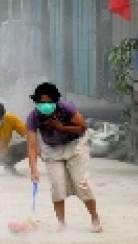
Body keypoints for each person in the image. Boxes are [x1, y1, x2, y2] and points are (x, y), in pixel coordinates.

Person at [27, 82, 101, 233]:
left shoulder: (66, 108)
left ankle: (94, 217)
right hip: (52, 150)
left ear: (55, 101)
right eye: (42, 102)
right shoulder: (34, 117)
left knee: (81, 183)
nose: (45, 105)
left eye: (49, 102)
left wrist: (62, 127)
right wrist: (34, 170)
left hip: (75, 146)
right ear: (37, 102)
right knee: (57, 186)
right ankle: (61, 223)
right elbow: (32, 145)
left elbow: (83, 126)